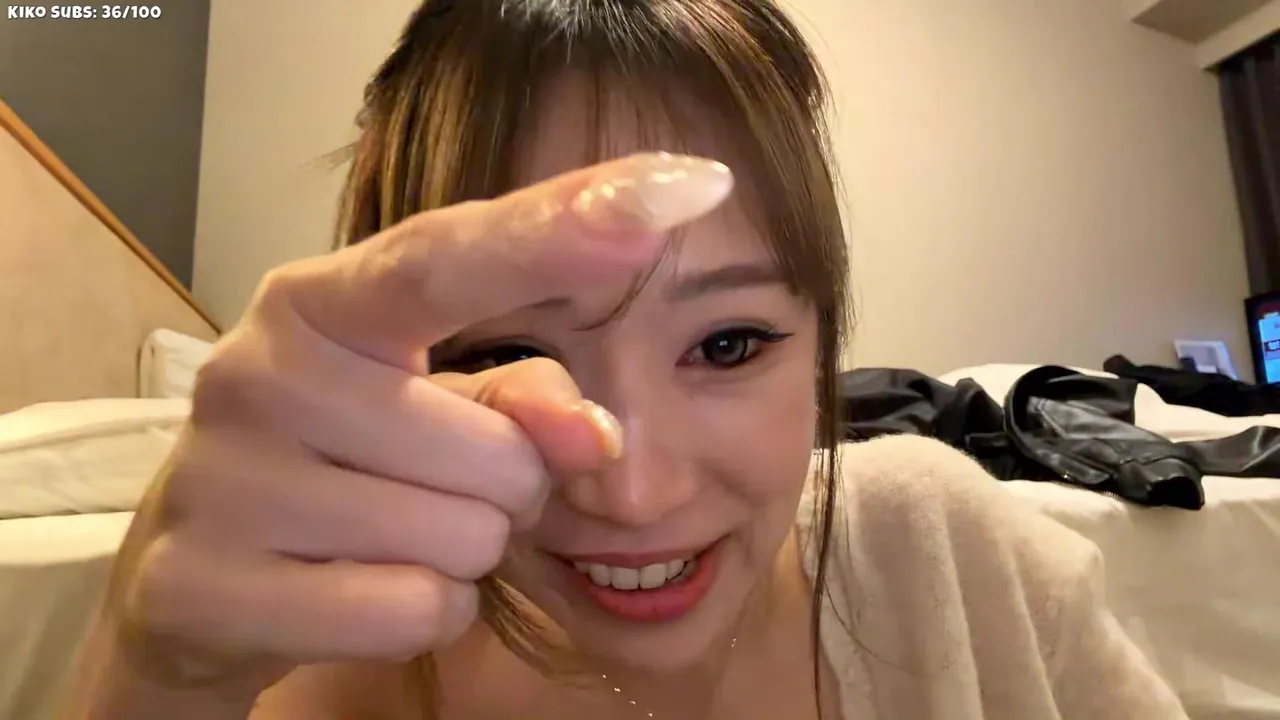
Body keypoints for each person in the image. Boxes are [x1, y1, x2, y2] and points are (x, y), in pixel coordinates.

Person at [63, 1, 1189, 718]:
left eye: (727, 344)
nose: (634, 493)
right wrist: (144, 676)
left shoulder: (954, 562)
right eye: (511, 352)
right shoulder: (338, 666)